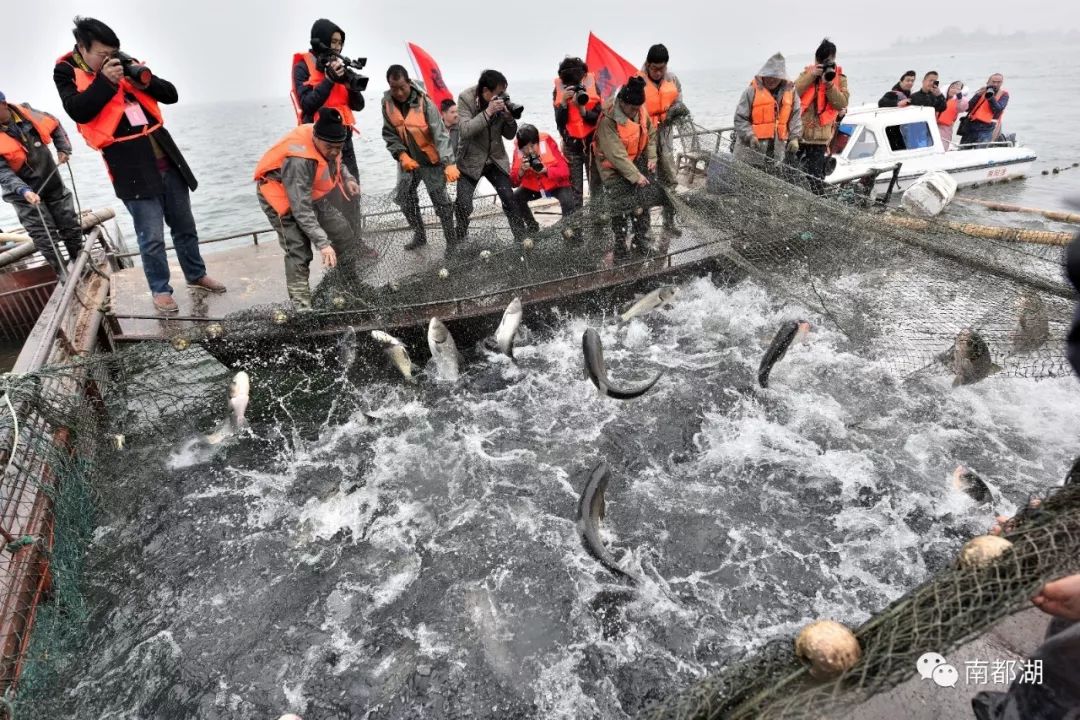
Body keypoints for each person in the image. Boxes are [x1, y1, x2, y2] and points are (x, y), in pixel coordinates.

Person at [54, 16, 224, 314]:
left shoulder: (125, 61)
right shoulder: (65, 71)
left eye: (113, 52)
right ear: (82, 48)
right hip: (129, 164)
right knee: (151, 235)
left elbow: (170, 95)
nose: (110, 59)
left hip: (165, 155)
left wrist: (142, 79)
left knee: (185, 226)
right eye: (102, 55)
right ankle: (161, 290)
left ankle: (196, 275)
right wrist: (106, 81)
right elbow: (78, 111)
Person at [254, 108, 366, 308]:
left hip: (309, 191)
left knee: (342, 232)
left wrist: (347, 178)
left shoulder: (331, 143)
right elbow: (301, 209)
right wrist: (323, 244)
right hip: (281, 196)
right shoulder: (300, 160)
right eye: (329, 147)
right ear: (315, 137)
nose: (334, 151)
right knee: (299, 249)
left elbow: (337, 163)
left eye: (338, 147)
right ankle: (302, 306)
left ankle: (350, 282)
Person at [0, 91, 83, 275]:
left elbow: (55, 125)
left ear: (4, 104)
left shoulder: (28, 113)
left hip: (50, 181)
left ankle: (81, 264)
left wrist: (63, 148)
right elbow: (3, 172)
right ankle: (63, 275)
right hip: (21, 194)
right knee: (43, 236)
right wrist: (24, 190)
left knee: (69, 223)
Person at [381, 65, 458, 252]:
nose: (398, 92)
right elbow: (389, 134)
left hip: (431, 161)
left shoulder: (426, 103)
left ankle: (451, 243)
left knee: (441, 203)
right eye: (394, 88)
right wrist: (401, 154)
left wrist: (449, 163)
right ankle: (420, 234)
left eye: (402, 87)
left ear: (408, 83)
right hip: (408, 161)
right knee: (405, 199)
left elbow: (440, 135)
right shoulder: (387, 103)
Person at [453, 69, 527, 246]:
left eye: (504, 92)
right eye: (498, 93)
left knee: (510, 199)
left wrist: (509, 119)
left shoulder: (502, 100)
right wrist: (488, 112)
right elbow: (465, 130)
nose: (502, 96)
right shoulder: (466, 98)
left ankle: (523, 240)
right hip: (470, 160)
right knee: (463, 205)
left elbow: (509, 135)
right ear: (486, 91)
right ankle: (460, 238)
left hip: (495, 158)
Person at [291, 18, 366, 178]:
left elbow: (359, 106)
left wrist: (350, 87)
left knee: (353, 191)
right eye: (333, 42)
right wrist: (330, 80)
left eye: (340, 43)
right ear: (321, 41)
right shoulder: (302, 68)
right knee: (325, 195)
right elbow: (307, 104)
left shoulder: (339, 66)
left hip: (344, 141)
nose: (338, 47)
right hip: (318, 142)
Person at [593, 76, 657, 257]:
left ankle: (641, 242)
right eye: (632, 108)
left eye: (638, 108)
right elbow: (616, 155)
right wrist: (636, 176)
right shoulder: (607, 120)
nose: (635, 112)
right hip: (612, 169)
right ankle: (620, 248)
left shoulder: (640, 110)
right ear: (621, 101)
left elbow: (651, 134)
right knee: (619, 208)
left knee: (642, 206)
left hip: (635, 162)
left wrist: (652, 156)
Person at [639, 44, 687, 239]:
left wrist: (676, 111)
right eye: (654, 68)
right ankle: (645, 229)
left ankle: (670, 221)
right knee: (645, 183)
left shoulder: (672, 79)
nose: (658, 72)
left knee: (669, 180)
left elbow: (679, 101)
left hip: (666, 136)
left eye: (662, 68)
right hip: (644, 140)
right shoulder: (637, 81)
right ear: (648, 65)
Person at [794, 38, 849, 194]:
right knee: (791, 173)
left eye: (829, 59)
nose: (825, 63)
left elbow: (842, 103)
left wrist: (829, 84)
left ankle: (816, 205)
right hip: (799, 135)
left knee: (816, 178)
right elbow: (792, 94)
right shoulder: (807, 73)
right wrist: (811, 76)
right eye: (822, 59)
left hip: (820, 139)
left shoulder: (840, 78)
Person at [732, 53, 802, 170]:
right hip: (749, 152)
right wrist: (750, 136)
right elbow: (739, 118)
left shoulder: (791, 93)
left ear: (782, 77)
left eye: (776, 77)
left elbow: (796, 117)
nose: (771, 80)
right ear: (763, 74)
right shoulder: (750, 91)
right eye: (769, 76)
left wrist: (795, 138)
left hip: (775, 155)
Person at [509, 124, 576, 236]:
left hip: (555, 185)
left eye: (532, 146)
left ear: (538, 142)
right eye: (525, 147)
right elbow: (513, 183)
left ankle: (568, 231)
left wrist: (546, 170)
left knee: (568, 200)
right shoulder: (518, 151)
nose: (530, 150)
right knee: (514, 198)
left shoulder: (547, 143)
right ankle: (532, 226)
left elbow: (565, 171)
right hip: (533, 188)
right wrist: (520, 172)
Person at [552, 56, 602, 209]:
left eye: (577, 83)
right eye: (569, 85)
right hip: (571, 145)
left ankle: (597, 221)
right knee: (575, 190)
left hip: (591, 143)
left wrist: (583, 111)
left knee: (596, 187)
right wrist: (563, 104)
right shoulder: (558, 90)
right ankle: (578, 225)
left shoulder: (593, 84)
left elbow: (598, 118)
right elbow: (559, 123)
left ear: (583, 77)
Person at [961, 74, 1010, 145]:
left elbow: (998, 109)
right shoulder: (981, 91)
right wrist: (978, 95)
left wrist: (991, 97)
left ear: (1002, 83)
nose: (996, 84)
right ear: (988, 82)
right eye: (993, 82)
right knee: (964, 148)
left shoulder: (1004, 94)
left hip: (987, 127)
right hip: (971, 124)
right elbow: (968, 108)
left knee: (981, 150)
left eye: (999, 82)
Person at [937, 81, 968, 150]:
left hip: (945, 129)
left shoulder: (960, 101)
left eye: (958, 89)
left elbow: (963, 108)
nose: (954, 90)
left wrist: (959, 97)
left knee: (942, 147)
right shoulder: (940, 98)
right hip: (933, 125)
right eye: (952, 87)